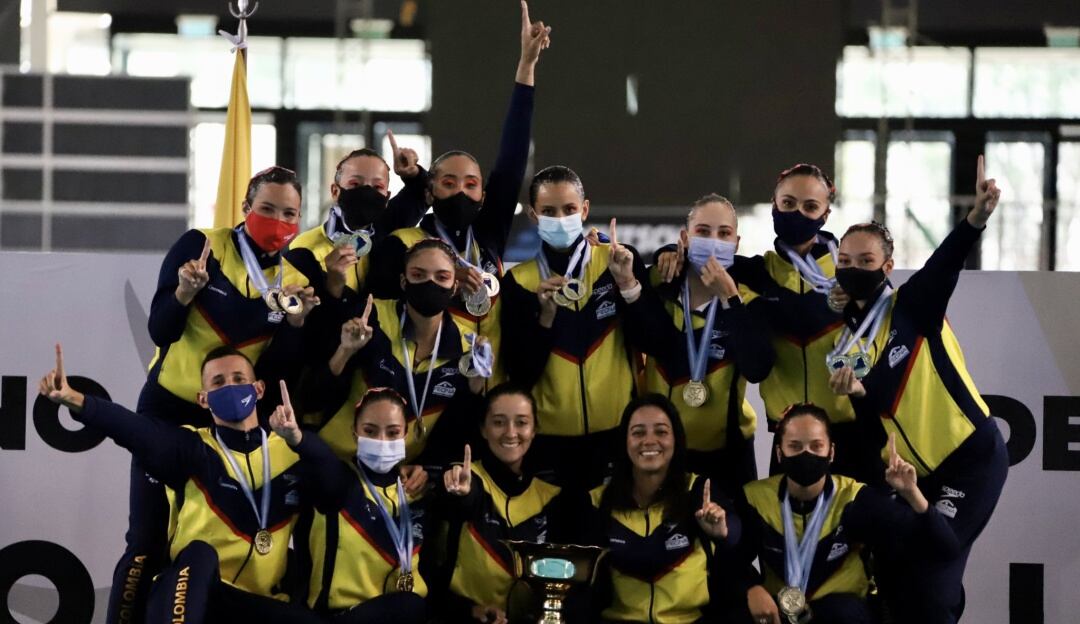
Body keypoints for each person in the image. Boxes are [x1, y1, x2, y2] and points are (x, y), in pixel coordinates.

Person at [111, 165, 319, 623]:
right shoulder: (202, 246)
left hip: (230, 420)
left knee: (225, 543)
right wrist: (185, 292)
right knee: (146, 542)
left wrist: (297, 324)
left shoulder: (295, 276)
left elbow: (281, 369)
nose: (279, 222)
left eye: (290, 214)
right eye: (267, 209)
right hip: (168, 409)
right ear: (245, 209)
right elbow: (160, 329)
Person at [826, 156, 1008, 623]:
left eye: (865, 261)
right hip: (914, 475)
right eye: (844, 261)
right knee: (900, 577)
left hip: (971, 460)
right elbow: (879, 420)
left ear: (887, 265)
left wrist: (976, 218)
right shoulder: (850, 339)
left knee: (934, 569)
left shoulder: (914, 306)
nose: (853, 269)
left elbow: (944, 263)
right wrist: (860, 401)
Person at [39, 344, 335, 623]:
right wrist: (75, 400)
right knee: (200, 553)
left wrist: (298, 439)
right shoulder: (190, 446)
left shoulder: (291, 450)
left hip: (250, 605)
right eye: (218, 382)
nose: (230, 387)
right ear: (203, 399)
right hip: (188, 595)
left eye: (238, 378)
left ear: (258, 389)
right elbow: (132, 429)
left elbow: (336, 484)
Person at [367, 0, 551, 385]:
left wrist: (526, 67)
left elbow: (513, 156)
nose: (461, 192)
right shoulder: (403, 245)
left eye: (471, 184)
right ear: (430, 191)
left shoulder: (487, 236)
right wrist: (446, 288)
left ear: (484, 196)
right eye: (448, 183)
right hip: (427, 389)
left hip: (487, 391)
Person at [654, 165, 875, 483]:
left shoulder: (850, 271)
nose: (797, 213)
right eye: (788, 204)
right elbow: (706, 260)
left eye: (810, 206)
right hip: (791, 438)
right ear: (774, 204)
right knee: (782, 527)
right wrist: (667, 253)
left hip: (853, 431)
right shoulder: (757, 273)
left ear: (826, 214)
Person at [499, 166, 650, 490]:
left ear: (584, 210)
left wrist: (628, 284)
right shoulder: (518, 282)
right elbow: (519, 373)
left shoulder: (618, 262)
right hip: (548, 444)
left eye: (569, 210)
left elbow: (650, 339)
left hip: (616, 437)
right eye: (549, 212)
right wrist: (545, 319)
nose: (560, 219)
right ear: (533, 216)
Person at [611, 194, 774, 494]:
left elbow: (757, 367)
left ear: (736, 244)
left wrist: (730, 300)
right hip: (658, 452)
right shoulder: (660, 286)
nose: (714, 241)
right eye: (703, 232)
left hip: (726, 457)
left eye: (724, 234)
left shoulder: (748, 302)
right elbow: (643, 337)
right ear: (685, 238)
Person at [738, 404, 958, 624]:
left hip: (842, 615)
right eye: (795, 446)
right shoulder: (755, 500)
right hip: (780, 612)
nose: (806, 454)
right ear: (779, 453)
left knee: (843, 611)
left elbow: (944, 547)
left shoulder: (855, 499)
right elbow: (726, 562)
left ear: (831, 452)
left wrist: (911, 493)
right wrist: (751, 588)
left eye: (816, 446)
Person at [311, 239, 491, 469]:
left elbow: (457, 431)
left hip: (402, 476)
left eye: (442, 277)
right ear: (404, 282)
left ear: (455, 287)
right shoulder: (370, 317)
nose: (430, 283)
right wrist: (345, 350)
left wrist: (475, 389)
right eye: (419, 275)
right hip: (337, 460)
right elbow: (315, 397)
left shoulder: (467, 349)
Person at [585, 394, 740, 624]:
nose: (649, 441)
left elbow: (735, 531)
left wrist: (722, 533)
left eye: (661, 432)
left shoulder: (698, 490)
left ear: (676, 439)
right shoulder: (598, 502)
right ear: (624, 442)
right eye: (638, 432)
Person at [441, 383, 578, 624]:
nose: (511, 432)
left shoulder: (551, 495)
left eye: (522, 422)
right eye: (498, 422)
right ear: (483, 429)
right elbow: (464, 501)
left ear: (535, 429)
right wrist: (461, 493)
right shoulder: (467, 478)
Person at [304, 388, 430, 623]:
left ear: (405, 436)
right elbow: (319, 457)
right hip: (340, 615)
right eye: (370, 431)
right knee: (410, 605)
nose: (381, 441)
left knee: (413, 606)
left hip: (402, 614)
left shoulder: (416, 489)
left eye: (393, 433)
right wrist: (296, 437)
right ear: (354, 434)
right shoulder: (339, 480)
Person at [287, 138, 427, 320]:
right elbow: (303, 324)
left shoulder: (386, 228)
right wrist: (333, 287)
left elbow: (421, 194)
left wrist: (412, 173)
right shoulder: (305, 249)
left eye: (378, 187)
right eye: (355, 184)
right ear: (335, 191)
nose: (367, 192)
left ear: (386, 197)